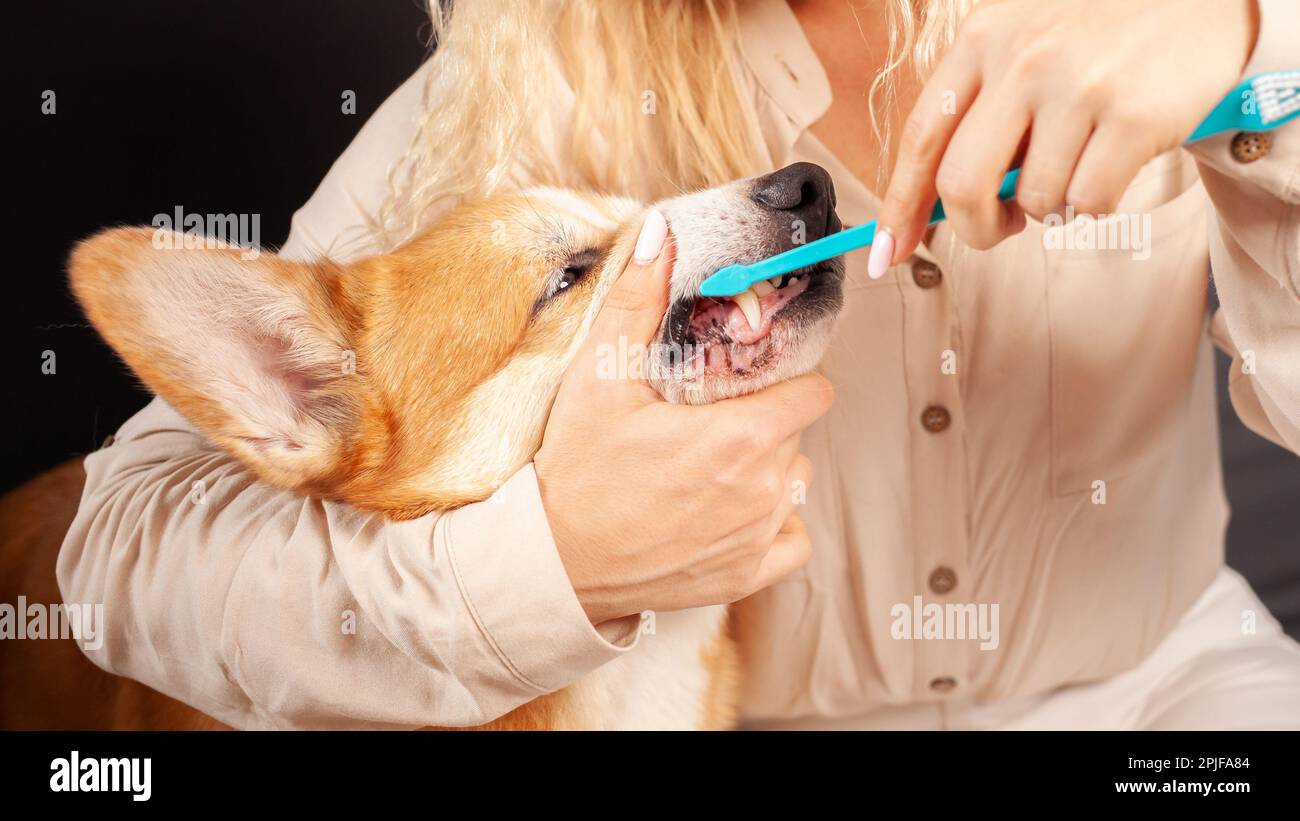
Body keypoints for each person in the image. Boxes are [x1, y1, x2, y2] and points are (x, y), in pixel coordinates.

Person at [60, 0, 1300, 729]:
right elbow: (122, 549)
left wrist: (1255, 45)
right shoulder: (525, 78)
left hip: (1165, 702)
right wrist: (551, 564)